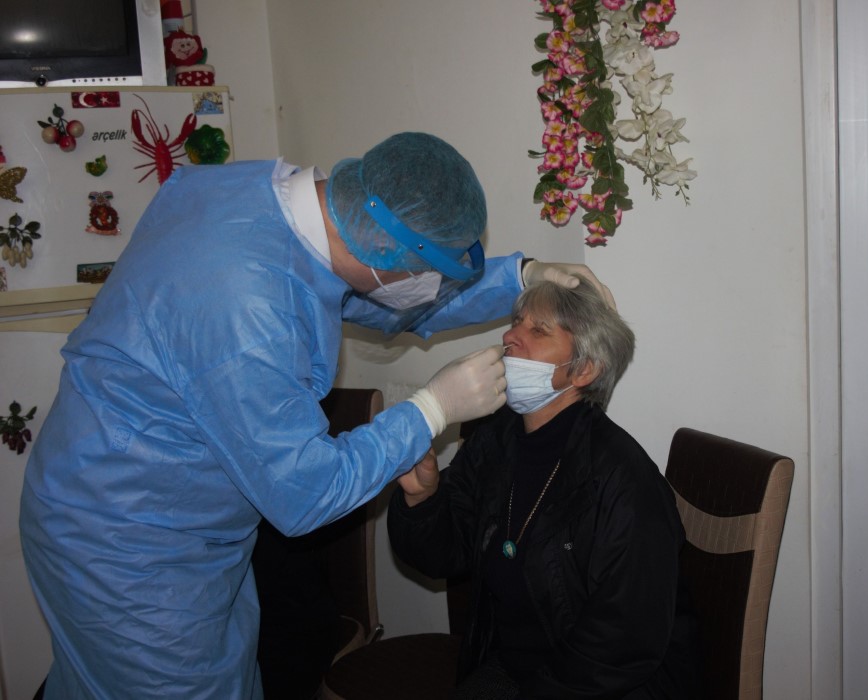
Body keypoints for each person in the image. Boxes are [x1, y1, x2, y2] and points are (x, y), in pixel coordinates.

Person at [19, 131, 614, 699]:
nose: (430, 291)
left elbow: (369, 296)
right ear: (390, 257)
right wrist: (430, 410)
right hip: (129, 539)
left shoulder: (264, 200)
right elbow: (304, 494)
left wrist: (520, 275)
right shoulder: (245, 306)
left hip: (155, 505)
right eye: (429, 276)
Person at [389, 278, 700, 698]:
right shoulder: (495, 439)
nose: (509, 336)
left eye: (538, 330)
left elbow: (624, 640)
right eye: (516, 322)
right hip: (517, 668)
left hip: (604, 686)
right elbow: (444, 554)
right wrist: (422, 498)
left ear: (583, 370)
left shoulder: (624, 478)